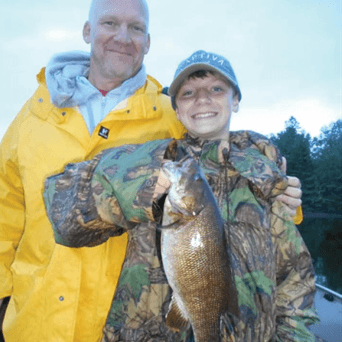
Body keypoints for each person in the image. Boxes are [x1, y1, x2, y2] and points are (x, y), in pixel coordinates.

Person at [0, 0, 302, 339]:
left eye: (136, 28)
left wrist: (280, 187)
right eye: (110, 23)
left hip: (124, 326)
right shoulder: (31, 116)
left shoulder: (170, 117)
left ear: (148, 42)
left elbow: (222, 161)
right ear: (88, 31)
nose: (123, 37)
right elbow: (5, 218)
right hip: (35, 322)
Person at [44, 50, 317, 341]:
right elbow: (63, 213)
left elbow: (295, 279)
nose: (202, 99)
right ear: (175, 110)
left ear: (235, 101)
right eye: (188, 93)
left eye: (216, 89)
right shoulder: (150, 161)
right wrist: (138, 186)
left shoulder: (263, 178)